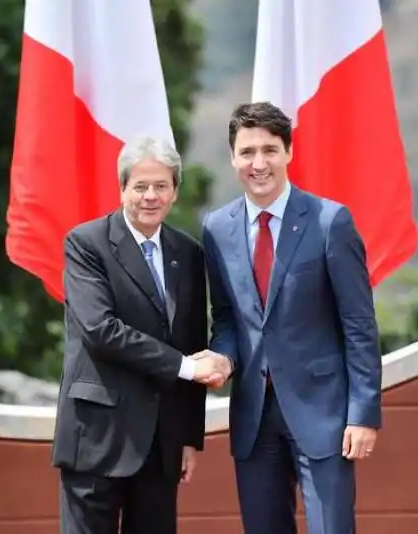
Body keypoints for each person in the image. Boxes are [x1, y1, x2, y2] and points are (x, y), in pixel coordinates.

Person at [199, 101, 383, 534]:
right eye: (247, 152)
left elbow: (359, 324)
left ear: (288, 153)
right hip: (252, 417)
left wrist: (363, 413)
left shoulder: (329, 221)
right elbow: (226, 317)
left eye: (269, 150)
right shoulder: (216, 228)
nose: (258, 163)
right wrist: (223, 359)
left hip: (325, 415)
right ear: (232, 158)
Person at [52, 136, 228, 534]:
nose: (150, 196)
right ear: (122, 189)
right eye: (140, 186)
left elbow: (192, 341)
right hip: (97, 439)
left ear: (175, 192)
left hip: (160, 445)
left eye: (161, 186)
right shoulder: (86, 244)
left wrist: (188, 438)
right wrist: (183, 367)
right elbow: (100, 330)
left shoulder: (188, 253)